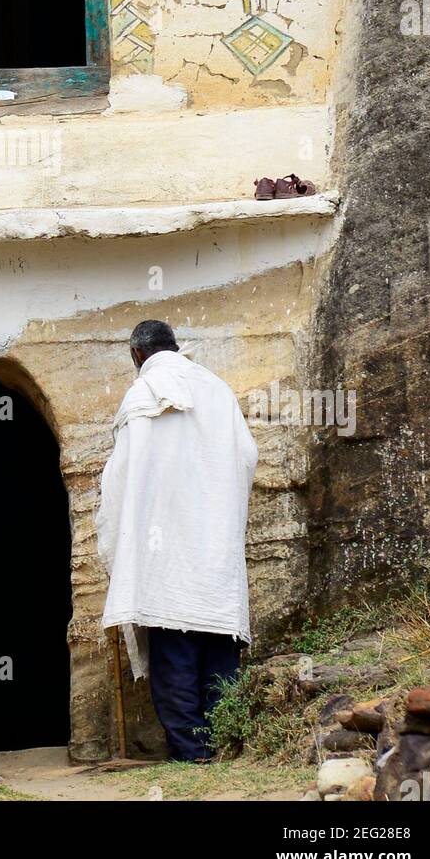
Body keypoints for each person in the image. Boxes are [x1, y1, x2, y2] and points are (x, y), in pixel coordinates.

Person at [96, 320, 258, 761]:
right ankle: (224, 745)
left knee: (175, 659)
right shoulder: (217, 389)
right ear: (175, 347)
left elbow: (121, 477)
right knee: (218, 654)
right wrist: (219, 516)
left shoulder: (143, 392)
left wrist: (117, 533)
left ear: (136, 355)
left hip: (163, 553)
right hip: (214, 546)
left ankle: (192, 751)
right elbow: (246, 457)